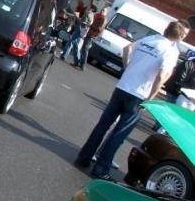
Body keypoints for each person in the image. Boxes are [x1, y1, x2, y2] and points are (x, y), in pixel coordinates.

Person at [75, 20, 187, 180]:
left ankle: (84, 157)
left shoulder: (149, 39)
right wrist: (150, 98)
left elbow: (127, 48)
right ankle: (100, 169)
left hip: (123, 86)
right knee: (119, 134)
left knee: (103, 125)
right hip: (139, 94)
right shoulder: (170, 50)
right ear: (179, 37)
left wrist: (128, 67)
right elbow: (162, 76)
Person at [77, 4, 108, 70]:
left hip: (92, 35)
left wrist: (90, 25)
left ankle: (82, 65)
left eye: (104, 11)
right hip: (90, 33)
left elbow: (99, 29)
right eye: (102, 10)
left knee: (85, 49)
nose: (102, 11)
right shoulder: (98, 16)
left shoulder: (103, 19)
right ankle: (79, 63)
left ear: (106, 13)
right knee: (84, 49)